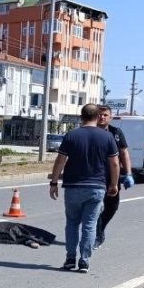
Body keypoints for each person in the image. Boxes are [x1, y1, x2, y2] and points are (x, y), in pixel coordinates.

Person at [48, 104, 119, 273]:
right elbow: (115, 163)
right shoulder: (107, 137)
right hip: (96, 187)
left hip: (73, 186)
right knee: (90, 224)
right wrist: (114, 184)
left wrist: (54, 182)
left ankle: (70, 258)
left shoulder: (71, 135)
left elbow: (60, 160)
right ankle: (84, 261)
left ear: (81, 117)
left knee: (72, 223)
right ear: (97, 117)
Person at [96, 105, 135, 248]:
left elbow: (124, 153)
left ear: (110, 117)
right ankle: (97, 235)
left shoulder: (116, 133)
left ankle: (100, 229)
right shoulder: (89, 131)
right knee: (95, 207)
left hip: (113, 176)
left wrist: (128, 173)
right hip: (94, 176)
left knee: (112, 207)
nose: (102, 117)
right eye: (100, 114)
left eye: (105, 115)